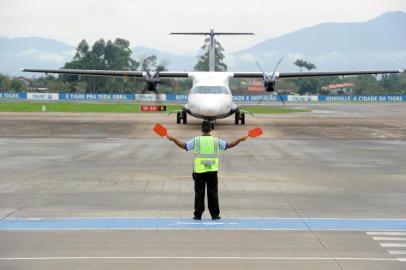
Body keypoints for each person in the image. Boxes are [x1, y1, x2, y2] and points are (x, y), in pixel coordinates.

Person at [166, 120, 248, 220]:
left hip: (199, 171)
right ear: (211, 129)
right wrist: (240, 139)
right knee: (213, 193)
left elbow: (184, 146)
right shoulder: (215, 141)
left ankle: (198, 214)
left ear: (201, 129)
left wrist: (173, 139)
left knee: (199, 193)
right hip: (212, 170)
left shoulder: (196, 140)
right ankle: (215, 215)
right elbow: (228, 145)